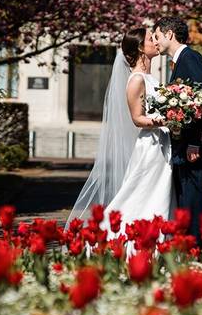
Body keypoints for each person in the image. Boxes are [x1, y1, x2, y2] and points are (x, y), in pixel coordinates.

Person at [67, 27, 173, 233]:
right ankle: (116, 236)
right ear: (141, 48)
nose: (157, 41)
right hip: (150, 145)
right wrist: (167, 120)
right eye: (152, 38)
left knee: (158, 195)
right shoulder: (136, 80)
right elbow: (137, 119)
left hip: (162, 143)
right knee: (142, 194)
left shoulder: (151, 78)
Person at [153, 16, 202, 246]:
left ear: (170, 34)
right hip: (184, 145)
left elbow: (200, 103)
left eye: (157, 35)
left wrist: (195, 142)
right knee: (186, 199)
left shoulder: (190, 59)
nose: (156, 41)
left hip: (194, 147)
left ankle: (195, 247)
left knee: (192, 199)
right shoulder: (182, 60)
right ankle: (189, 246)